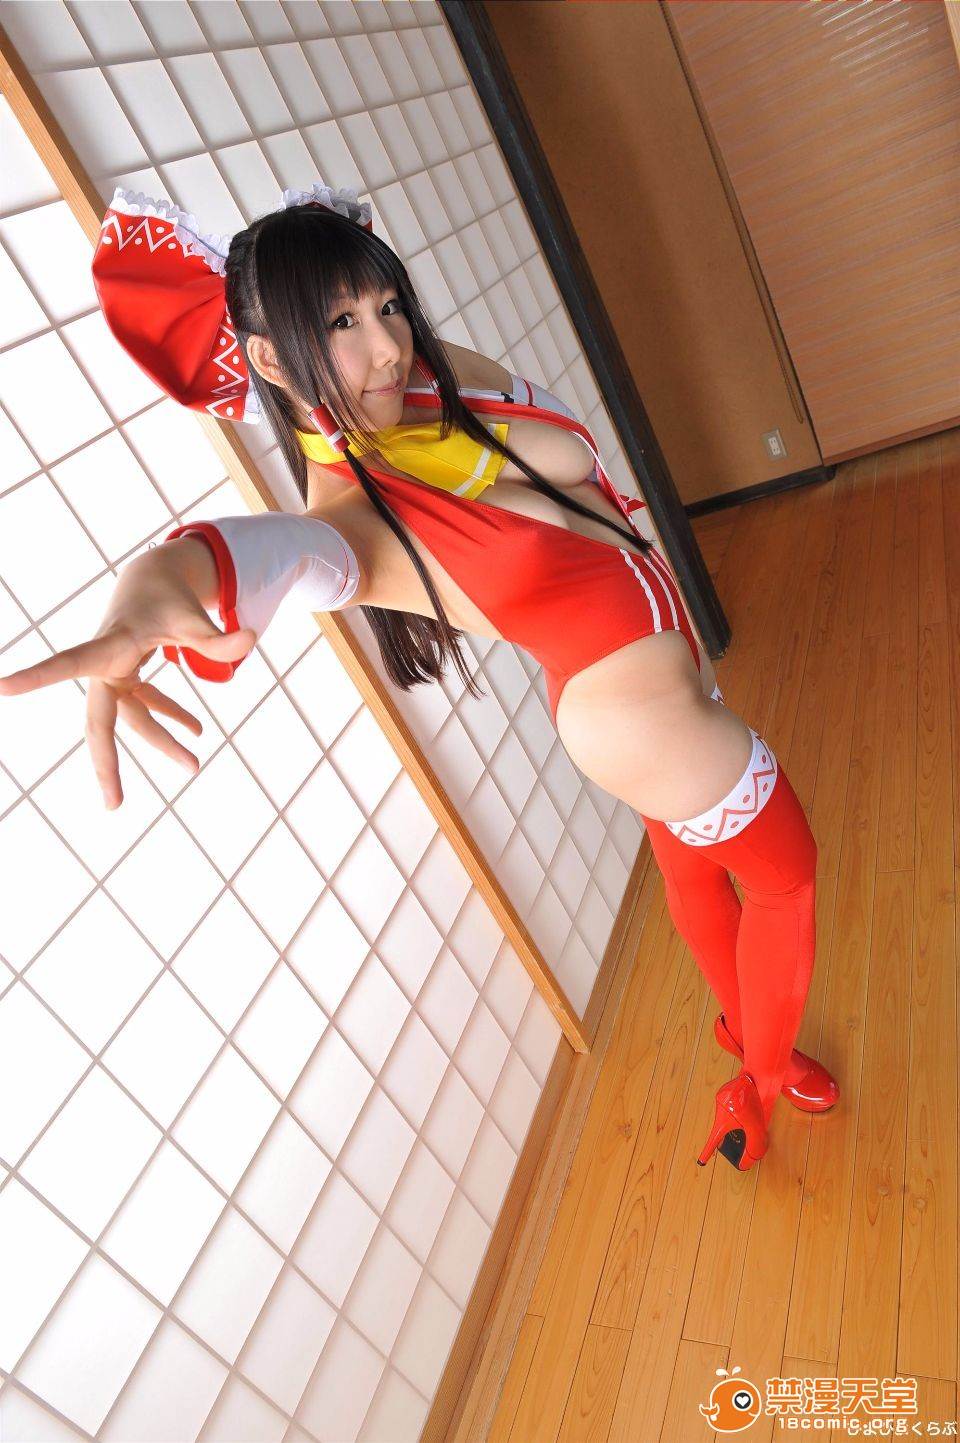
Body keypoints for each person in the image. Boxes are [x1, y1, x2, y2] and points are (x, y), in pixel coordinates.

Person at [0, 181, 838, 1172]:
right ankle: (761, 1079)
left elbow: (544, 455)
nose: (387, 345)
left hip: (649, 674)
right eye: (342, 324)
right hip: (634, 711)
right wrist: (154, 590)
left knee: (692, 863)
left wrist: (386, 338)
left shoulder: (427, 387)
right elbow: (262, 555)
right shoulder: (349, 518)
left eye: (386, 305)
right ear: (271, 359)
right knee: (785, 880)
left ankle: (749, 1035)